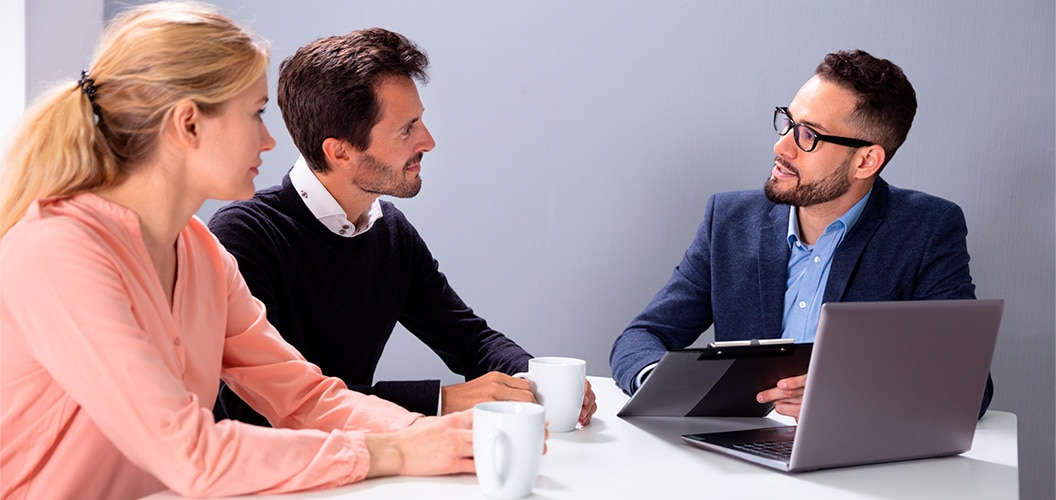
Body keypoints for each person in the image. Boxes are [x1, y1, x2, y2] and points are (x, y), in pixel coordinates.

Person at [0, 3, 484, 499]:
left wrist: (425, 436)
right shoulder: (58, 253)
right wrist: (393, 452)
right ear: (188, 124)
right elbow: (192, 454)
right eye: (255, 114)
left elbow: (304, 397)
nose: (272, 140)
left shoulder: (203, 254)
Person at [208, 28, 596, 425]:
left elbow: (468, 339)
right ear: (340, 151)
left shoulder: (389, 232)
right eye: (406, 128)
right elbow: (257, 406)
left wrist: (535, 379)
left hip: (361, 467)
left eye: (420, 122)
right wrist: (441, 400)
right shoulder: (244, 237)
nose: (428, 141)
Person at [609, 49, 993, 420]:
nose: (782, 146)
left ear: (866, 160)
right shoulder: (728, 221)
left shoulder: (926, 230)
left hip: (854, 464)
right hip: (734, 455)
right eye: (788, 122)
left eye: (808, 135)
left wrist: (847, 394)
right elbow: (641, 337)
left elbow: (970, 386)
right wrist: (663, 386)